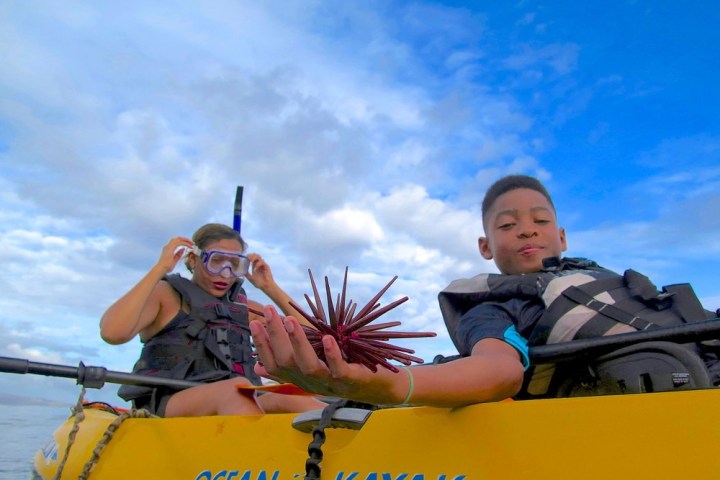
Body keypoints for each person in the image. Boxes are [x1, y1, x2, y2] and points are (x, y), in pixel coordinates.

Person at [250, 174, 719, 407]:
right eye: (508, 225)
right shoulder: (495, 305)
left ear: (564, 237)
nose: (527, 232)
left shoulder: (611, 279)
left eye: (541, 221)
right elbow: (497, 368)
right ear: (484, 246)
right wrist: (392, 385)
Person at [100, 223, 326, 417]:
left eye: (235, 265)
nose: (225, 273)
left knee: (289, 399)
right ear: (193, 260)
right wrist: (160, 269)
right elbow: (113, 333)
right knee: (235, 391)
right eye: (215, 261)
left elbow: (311, 337)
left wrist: (269, 287)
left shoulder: (241, 307)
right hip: (171, 398)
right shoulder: (166, 295)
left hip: (241, 397)